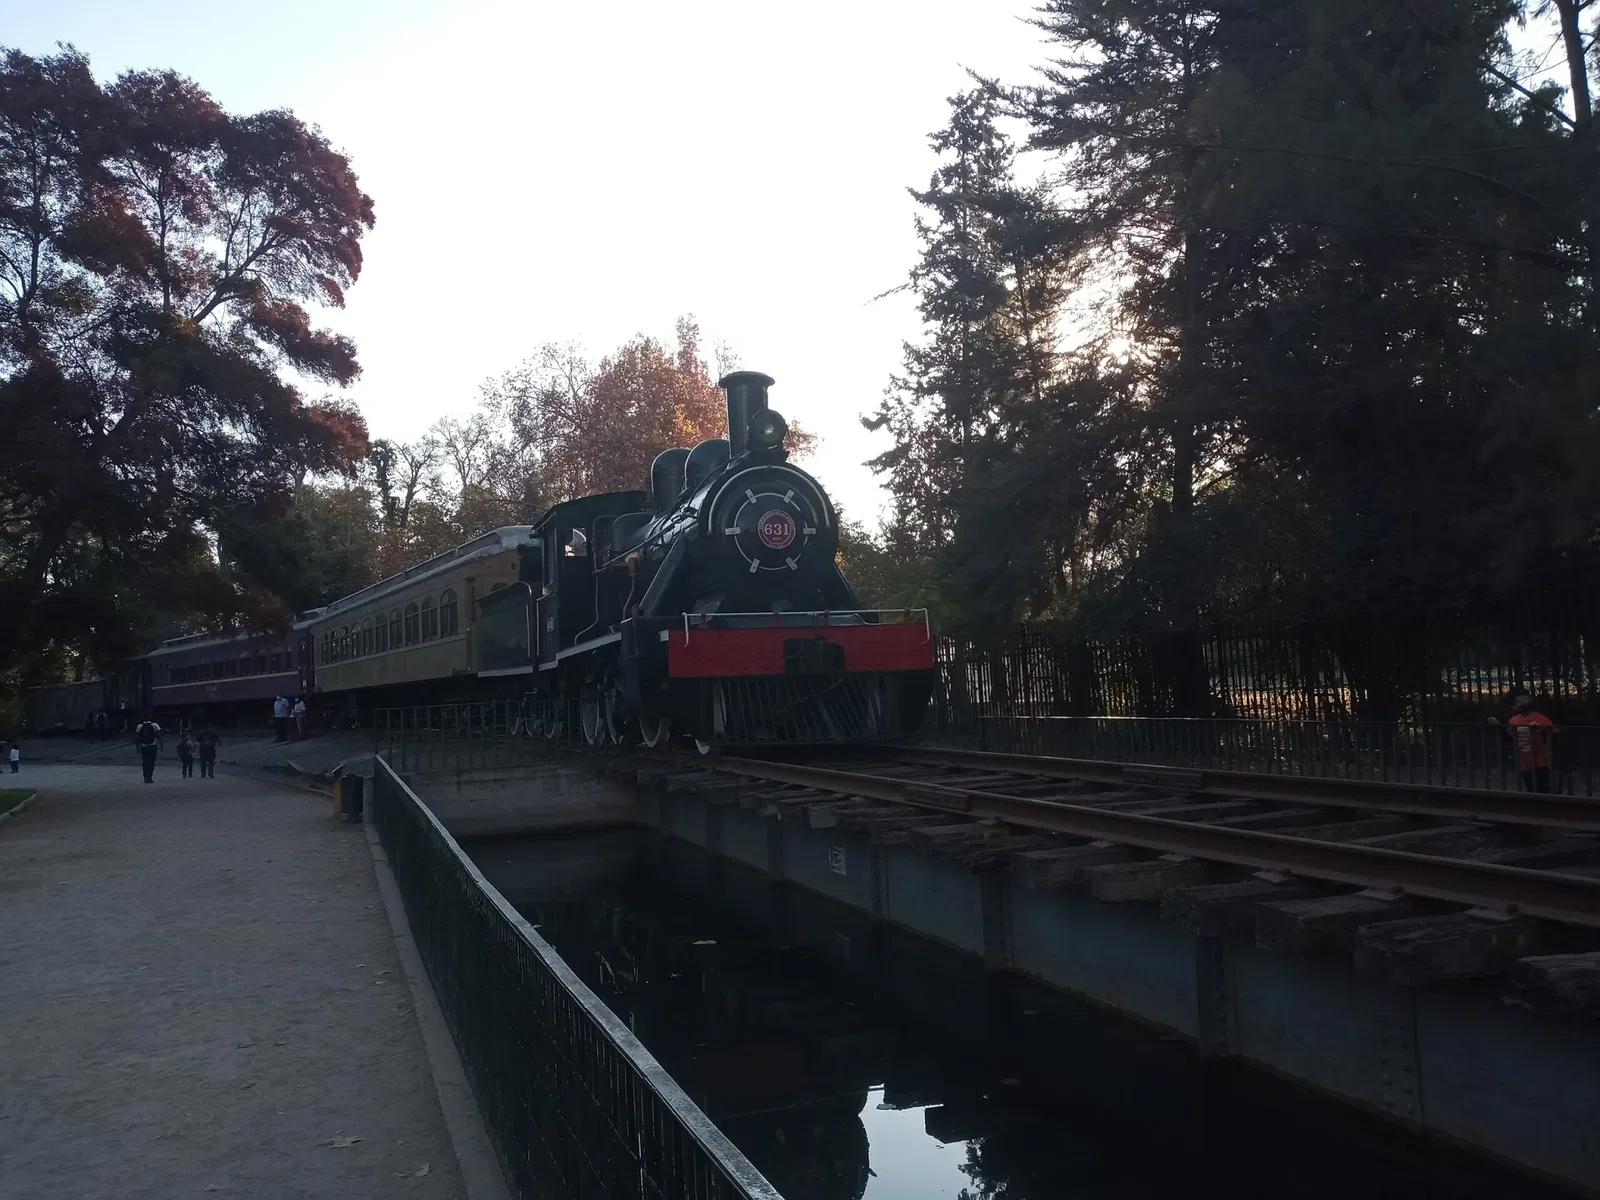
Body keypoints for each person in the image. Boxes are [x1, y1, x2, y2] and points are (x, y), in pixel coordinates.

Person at [1489, 690, 1557, 794]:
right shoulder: (1514, 720)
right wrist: (1498, 726)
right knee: (1531, 789)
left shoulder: (1541, 718)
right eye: (1519, 702)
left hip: (1541, 761)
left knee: (1544, 790)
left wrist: (1543, 730)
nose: (1522, 704)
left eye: (1525, 701)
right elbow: (1509, 737)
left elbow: (1555, 733)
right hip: (1524, 761)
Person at [134, 716, 163, 784]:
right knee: (152, 762)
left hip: (143, 746)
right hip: (153, 746)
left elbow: (137, 738)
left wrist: (137, 748)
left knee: (145, 762)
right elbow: (159, 736)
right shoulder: (155, 725)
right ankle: (150, 777)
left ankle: (145, 777)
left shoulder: (140, 726)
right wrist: (161, 745)